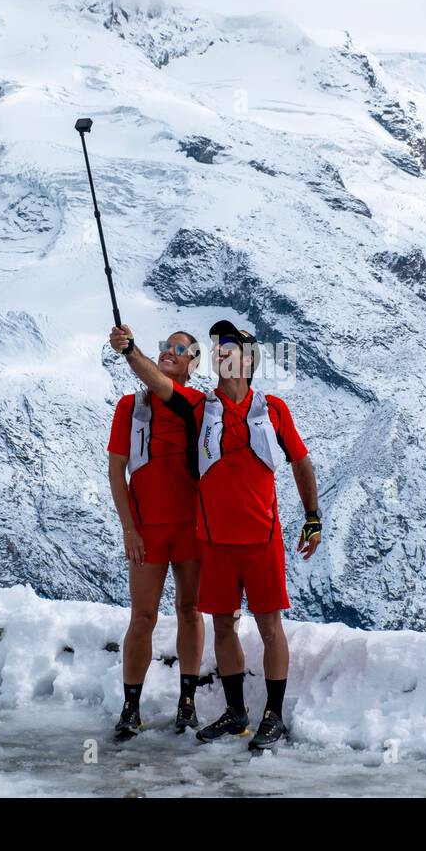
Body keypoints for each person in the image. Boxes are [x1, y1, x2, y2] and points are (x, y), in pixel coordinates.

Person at [109, 319, 322, 750]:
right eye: (218, 348)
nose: (223, 353)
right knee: (221, 625)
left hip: (261, 538)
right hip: (214, 541)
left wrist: (313, 516)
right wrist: (130, 351)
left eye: (232, 348)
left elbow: (300, 462)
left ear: (248, 359)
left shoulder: (274, 409)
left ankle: (273, 716)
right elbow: (157, 383)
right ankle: (236, 712)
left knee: (268, 626)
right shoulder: (199, 407)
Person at [107, 330, 205, 741]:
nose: (170, 351)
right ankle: (131, 707)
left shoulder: (198, 405)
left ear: (192, 364)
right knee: (142, 617)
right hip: (147, 530)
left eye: (180, 349)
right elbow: (116, 470)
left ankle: (188, 701)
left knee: (189, 610)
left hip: (190, 529)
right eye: (166, 345)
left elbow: (160, 385)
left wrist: (130, 351)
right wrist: (129, 528)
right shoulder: (130, 407)